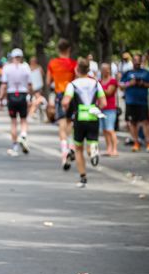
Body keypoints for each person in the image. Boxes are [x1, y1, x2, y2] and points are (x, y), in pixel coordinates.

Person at [62, 58, 106, 188]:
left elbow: (65, 102)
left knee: (78, 149)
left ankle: (83, 178)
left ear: (77, 69)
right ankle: (93, 151)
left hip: (79, 117)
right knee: (91, 142)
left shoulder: (73, 84)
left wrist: (66, 107)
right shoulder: (96, 83)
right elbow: (103, 103)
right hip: (93, 116)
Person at [46, 39, 77, 169]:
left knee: (62, 124)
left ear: (58, 49)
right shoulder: (73, 64)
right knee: (70, 122)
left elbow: (48, 82)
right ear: (69, 49)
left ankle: (64, 152)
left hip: (59, 95)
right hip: (71, 95)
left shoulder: (52, 63)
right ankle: (71, 146)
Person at [0, 48, 31, 156]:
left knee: (13, 121)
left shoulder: (7, 68)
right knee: (23, 120)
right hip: (22, 94)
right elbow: (30, 84)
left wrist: (1, 98)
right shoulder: (26, 67)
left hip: (11, 95)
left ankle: (15, 146)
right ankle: (23, 135)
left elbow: (3, 84)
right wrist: (30, 95)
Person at [120, 54, 149, 152]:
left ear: (141, 61)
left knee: (145, 122)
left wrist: (142, 84)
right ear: (133, 61)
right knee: (132, 122)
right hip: (130, 101)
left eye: (138, 60)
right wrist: (129, 83)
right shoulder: (128, 73)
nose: (136, 62)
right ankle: (136, 143)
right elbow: (121, 85)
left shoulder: (146, 73)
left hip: (142, 102)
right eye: (135, 60)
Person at [99, 63, 119, 156]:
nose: (105, 71)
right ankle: (109, 149)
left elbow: (108, 92)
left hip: (110, 108)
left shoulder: (113, 81)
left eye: (106, 69)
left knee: (110, 129)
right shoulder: (99, 81)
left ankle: (115, 149)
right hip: (101, 108)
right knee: (104, 130)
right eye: (103, 69)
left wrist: (98, 88)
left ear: (109, 70)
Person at [27, 56, 47, 121]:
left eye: (34, 61)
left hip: (38, 86)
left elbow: (42, 75)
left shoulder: (39, 67)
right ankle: (33, 113)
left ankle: (31, 113)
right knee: (31, 100)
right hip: (30, 87)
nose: (33, 62)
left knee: (37, 99)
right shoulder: (28, 68)